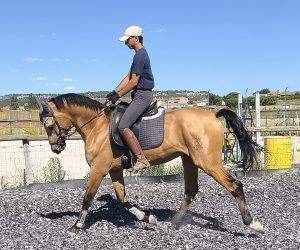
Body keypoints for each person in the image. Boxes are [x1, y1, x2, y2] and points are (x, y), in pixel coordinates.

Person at [106, 25, 154, 171]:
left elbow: (134, 82)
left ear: (136, 38)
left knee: (123, 125)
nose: (126, 43)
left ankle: (141, 158)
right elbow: (128, 77)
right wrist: (114, 91)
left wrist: (119, 95)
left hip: (142, 96)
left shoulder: (140, 55)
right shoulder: (138, 55)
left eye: (127, 40)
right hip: (138, 95)